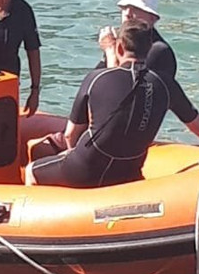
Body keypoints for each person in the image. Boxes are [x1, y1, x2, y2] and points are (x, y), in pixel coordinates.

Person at [24, 20, 168, 187]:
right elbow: (197, 123)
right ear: (149, 49)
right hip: (128, 170)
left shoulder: (97, 78)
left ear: (120, 48)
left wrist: (109, 52)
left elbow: (71, 134)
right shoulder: (163, 84)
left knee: (31, 170)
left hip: (86, 166)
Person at [101, 0, 199, 151]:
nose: (127, 13)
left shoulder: (157, 52)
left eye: (135, 8)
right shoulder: (120, 44)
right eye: (125, 7)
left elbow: (118, 94)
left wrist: (111, 52)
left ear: (152, 18)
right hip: (101, 128)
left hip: (119, 138)